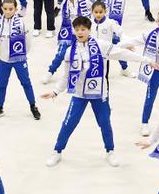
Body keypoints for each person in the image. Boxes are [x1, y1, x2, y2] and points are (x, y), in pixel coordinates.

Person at [43, 16, 122, 168]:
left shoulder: (100, 45)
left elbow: (121, 52)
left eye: (83, 29)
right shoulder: (69, 51)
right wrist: (55, 91)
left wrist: (145, 60)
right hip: (79, 94)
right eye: (77, 29)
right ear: (73, 30)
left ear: (89, 30)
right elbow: (66, 77)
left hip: (99, 94)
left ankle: (110, 151)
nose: (80, 32)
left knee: (105, 123)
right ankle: (57, 151)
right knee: (68, 123)